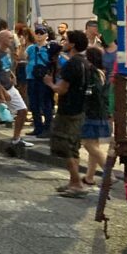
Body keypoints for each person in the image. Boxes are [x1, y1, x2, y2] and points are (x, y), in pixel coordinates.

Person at [46, 30, 90, 198]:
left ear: (72, 44)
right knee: (74, 146)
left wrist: (50, 83)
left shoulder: (72, 64)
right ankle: (73, 181)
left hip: (69, 110)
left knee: (66, 147)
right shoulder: (85, 62)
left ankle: (77, 184)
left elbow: (62, 89)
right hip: (80, 109)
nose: (63, 43)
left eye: (66, 40)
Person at [0, 30, 30, 148]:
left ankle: (16, 138)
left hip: (10, 86)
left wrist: (12, 75)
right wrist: (1, 92)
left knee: (22, 110)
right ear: (1, 39)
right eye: (9, 38)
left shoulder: (8, 51)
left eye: (12, 38)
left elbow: (6, 67)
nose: (12, 40)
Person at [80, 46, 110, 186]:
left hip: (92, 112)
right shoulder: (102, 72)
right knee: (94, 144)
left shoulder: (92, 72)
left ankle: (109, 174)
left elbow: (93, 93)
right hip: (101, 112)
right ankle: (89, 176)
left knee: (87, 144)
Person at [26, 26, 54, 136]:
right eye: (37, 32)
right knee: (33, 104)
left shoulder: (49, 48)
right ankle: (38, 127)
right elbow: (24, 57)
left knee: (45, 103)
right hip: (31, 77)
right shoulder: (31, 48)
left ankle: (47, 128)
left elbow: (53, 61)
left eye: (41, 33)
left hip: (44, 78)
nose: (38, 35)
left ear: (46, 35)